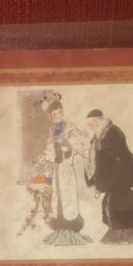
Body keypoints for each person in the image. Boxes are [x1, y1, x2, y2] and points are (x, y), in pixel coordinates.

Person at [84, 109, 133, 245]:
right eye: (88, 124)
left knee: (117, 208)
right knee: (110, 208)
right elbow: (99, 163)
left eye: (91, 123)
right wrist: (96, 181)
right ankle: (122, 239)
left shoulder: (112, 133)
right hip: (114, 178)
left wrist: (103, 183)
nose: (89, 126)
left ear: (99, 121)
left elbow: (118, 161)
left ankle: (125, 240)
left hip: (124, 176)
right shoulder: (98, 137)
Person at [38, 94, 91, 246]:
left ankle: (70, 229)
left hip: (66, 168)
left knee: (68, 196)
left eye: (59, 113)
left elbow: (79, 142)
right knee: (57, 197)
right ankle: (60, 227)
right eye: (54, 114)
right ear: (51, 117)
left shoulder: (69, 127)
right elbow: (49, 148)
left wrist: (68, 146)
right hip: (55, 170)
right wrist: (44, 157)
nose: (58, 116)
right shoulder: (52, 131)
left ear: (62, 113)